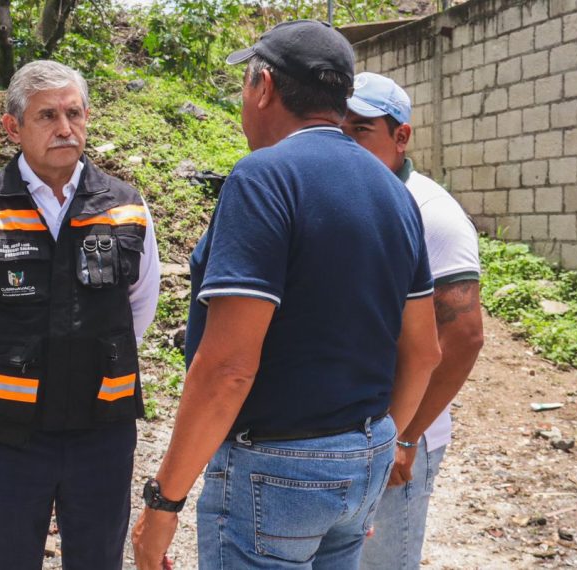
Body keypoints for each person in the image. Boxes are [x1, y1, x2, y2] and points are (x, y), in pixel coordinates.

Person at [131, 21, 443, 569]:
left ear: (265, 86)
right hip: (364, 454)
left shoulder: (264, 179)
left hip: (275, 472)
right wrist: (370, 454)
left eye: (245, 85)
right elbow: (423, 352)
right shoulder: (394, 195)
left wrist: (164, 501)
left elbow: (228, 368)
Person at [0, 60, 160, 569]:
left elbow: (140, 304)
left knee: (99, 560)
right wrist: (8, 369)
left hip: (102, 430)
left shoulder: (124, 207)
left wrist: (88, 360)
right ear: (13, 127)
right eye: (47, 116)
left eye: (74, 113)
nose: (64, 128)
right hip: (9, 435)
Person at [341, 72, 485, 570]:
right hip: (347, 431)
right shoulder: (350, 196)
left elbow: (464, 335)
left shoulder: (430, 212)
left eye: (361, 130)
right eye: (340, 129)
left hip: (401, 437)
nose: (347, 142)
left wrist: (406, 435)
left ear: (401, 136)